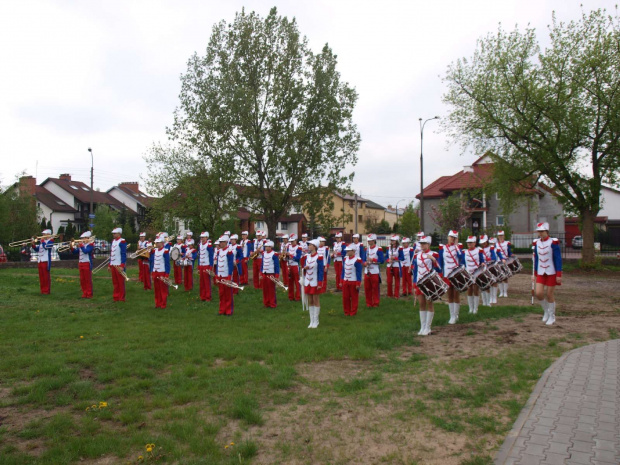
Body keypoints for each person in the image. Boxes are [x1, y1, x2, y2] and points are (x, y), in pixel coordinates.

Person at [533, 222, 562, 325]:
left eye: (542, 231)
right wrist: (535, 273)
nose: (540, 233)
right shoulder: (536, 243)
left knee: (549, 294)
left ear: (547, 231)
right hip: (541, 271)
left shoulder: (553, 242)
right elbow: (536, 259)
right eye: (539, 231)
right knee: (539, 293)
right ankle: (546, 311)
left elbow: (558, 259)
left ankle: (552, 315)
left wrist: (559, 274)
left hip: (551, 271)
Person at [412, 235, 441, 336]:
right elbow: (415, 270)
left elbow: (439, 269)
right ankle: (422, 326)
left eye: (424, 244)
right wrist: (414, 283)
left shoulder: (434, 254)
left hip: (429, 283)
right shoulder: (417, 255)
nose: (422, 246)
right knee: (421, 304)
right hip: (419, 282)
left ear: (429, 244)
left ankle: (428, 327)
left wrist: (433, 260)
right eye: (421, 244)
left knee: (429, 303)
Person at [439, 230, 464, 324]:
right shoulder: (443, 247)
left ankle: (456, 314)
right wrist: (440, 273)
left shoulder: (458, 247)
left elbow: (461, 257)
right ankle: (451, 315)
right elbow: (440, 261)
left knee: (456, 294)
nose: (452, 239)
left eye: (454, 237)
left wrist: (457, 246)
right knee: (449, 295)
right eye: (451, 237)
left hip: (456, 274)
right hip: (447, 273)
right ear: (448, 237)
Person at [301, 239, 324, 328]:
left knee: (315, 300)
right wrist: (305, 268)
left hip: (315, 281)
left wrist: (319, 282)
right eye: (308, 245)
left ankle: (316, 321)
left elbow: (321, 271)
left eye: (310, 245)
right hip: (308, 281)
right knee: (310, 300)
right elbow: (303, 266)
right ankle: (311, 321)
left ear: (314, 246)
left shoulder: (319, 257)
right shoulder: (306, 256)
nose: (308, 246)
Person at [463, 236, 484, 314]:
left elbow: (482, 260)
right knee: (469, 290)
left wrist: (482, 263)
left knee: (475, 290)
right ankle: (470, 308)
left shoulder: (478, 251)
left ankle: (475, 308)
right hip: (468, 272)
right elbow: (463, 262)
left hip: (476, 272)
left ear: (474, 243)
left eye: (471, 242)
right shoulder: (464, 252)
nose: (469, 244)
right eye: (468, 242)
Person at [214, 235, 235, 315]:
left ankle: (229, 310)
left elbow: (230, 265)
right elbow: (218, 264)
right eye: (220, 242)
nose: (220, 244)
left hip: (226, 275)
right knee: (221, 293)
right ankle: (222, 309)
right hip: (220, 275)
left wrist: (229, 277)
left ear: (226, 242)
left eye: (222, 242)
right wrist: (216, 275)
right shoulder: (219, 252)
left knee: (228, 294)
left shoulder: (229, 252)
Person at [70, 231, 95, 298]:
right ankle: (84, 292)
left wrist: (81, 245)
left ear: (88, 238)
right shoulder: (82, 245)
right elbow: (75, 252)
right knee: (82, 279)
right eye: (82, 238)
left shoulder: (90, 245)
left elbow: (86, 251)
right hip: (81, 263)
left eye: (84, 238)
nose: (82, 240)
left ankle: (89, 293)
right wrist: (71, 247)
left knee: (87, 279)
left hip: (87, 263)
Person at [149, 236, 171, 309]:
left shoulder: (165, 251)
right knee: (156, 289)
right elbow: (152, 261)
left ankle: (163, 304)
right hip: (155, 272)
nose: (156, 244)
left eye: (158, 242)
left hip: (162, 272)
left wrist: (167, 274)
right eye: (156, 242)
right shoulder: (154, 251)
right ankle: (157, 303)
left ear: (161, 243)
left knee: (163, 289)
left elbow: (167, 264)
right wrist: (152, 272)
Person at [364, 233, 384, 308]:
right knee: (367, 288)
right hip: (367, 271)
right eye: (368, 241)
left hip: (375, 271)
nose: (369, 242)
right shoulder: (366, 249)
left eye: (370, 241)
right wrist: (364, 263)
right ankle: (368, 303)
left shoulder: (379, 249)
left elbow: (382, 260)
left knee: (375, 288)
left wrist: (373, 260)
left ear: (374, 241)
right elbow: (363, 258)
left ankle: (376, 303)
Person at [342, 245, 363, 316]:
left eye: (348, 251)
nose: (347, 252)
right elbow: (343, 270)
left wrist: (358, 283)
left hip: (353, 281)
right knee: (345, 297)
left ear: (353, 251)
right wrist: (341, 280)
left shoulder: (357, 260)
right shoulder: (345, 259)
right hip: (346, 280)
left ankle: (353, 312)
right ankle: (346, 311)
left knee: (354, 297)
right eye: (347, 251)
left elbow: (359, 273)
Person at [32, 229, 54, 294]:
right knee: (41, 276)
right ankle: (42, 290)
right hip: (40, 260)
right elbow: (37, 249)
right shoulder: (42, 242)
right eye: (43, 234)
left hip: (46, 260)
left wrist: (43, 241)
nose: (43, 235)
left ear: (48, 234)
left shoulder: (51, 241)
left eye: (44, 234)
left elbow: (46, 247)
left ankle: (46, 290)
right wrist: (33, 245)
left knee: (46, 277)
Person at [479, 235, 499, 306]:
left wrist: (488, 260)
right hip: (484, 267)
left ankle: (494, 297)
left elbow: (494, 257)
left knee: (494, 281)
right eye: (482, 242)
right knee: (485, 283)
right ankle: (487, 299)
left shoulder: (491, 248)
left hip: (491, 266)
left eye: (484, 242)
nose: (483, 244)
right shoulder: (480, 250)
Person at [109, 227, 127, 302]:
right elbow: (112, 254)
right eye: (113, 233)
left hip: (119, 264)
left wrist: (122, 265)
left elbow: (123, 254)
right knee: (115, 282)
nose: (113, 234)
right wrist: (110, 265)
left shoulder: (122, 241)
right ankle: (116, 297)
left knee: (120, 282)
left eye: (115, 233)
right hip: (113, 264)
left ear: (119, 233)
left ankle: (121, 297)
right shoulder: (113, 241)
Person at [261, 240, 280, 308]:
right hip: (265, 273)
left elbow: (277, 266)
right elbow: (262, 264)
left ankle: (272, 303)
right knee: (265, 289)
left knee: (271, 290)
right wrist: (261, 273)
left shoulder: (274, 254)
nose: (266, 248)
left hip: (271, 274)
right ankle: (266, 303)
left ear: (271, 247)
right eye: (265, 246)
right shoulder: (264, 254)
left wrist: (277, 275)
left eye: (267, 246)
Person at [197, 232, 214, 302]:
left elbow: (211, 257)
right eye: (201, 237)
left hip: (206, 265)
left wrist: (210, 267)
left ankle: (208, 297)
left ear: (207, 238)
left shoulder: (209, 245)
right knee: (202, 282)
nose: (202, 239)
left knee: (207, 282)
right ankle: (202, 296)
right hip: (201, 265)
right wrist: (198, 266)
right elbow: (199, 256)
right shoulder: (200, 245)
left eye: (203, 237)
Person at [286, 233, 303, 301]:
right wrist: (285, 256)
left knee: (297, 282)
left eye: (293, 241)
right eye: (291, 241)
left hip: (295, 266)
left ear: (296, 240)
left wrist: (290, 255)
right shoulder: (288, 247)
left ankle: (298, 297)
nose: (291, 242)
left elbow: (298, 258)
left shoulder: (299, 248)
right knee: (290, 282)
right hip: (289, 265)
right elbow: (287, 257)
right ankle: (291, 296)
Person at [495, 230, 512, 297]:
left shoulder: (507, 243)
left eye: (502, 235)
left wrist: (511, 256)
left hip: (505, 261)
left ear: (504, 236)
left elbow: (509, 252)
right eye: (499, 236)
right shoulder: (496, 244)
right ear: (498, 237)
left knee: (505, 277)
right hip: (498, 262)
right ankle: (501, 292)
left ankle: (505, 292)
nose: (501, 237)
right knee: (499, 277)